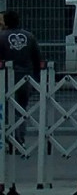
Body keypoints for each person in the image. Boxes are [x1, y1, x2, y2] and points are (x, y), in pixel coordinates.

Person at [0, 10, 41, 144]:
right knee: (22, 109)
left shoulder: (1, 37)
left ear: (5, 22)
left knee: (7, 109)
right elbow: (37, 58)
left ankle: (10, 137)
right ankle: (19, 138)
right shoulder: (30, 36)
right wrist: (36, 77)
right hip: (26, 78)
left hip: (7, 78)